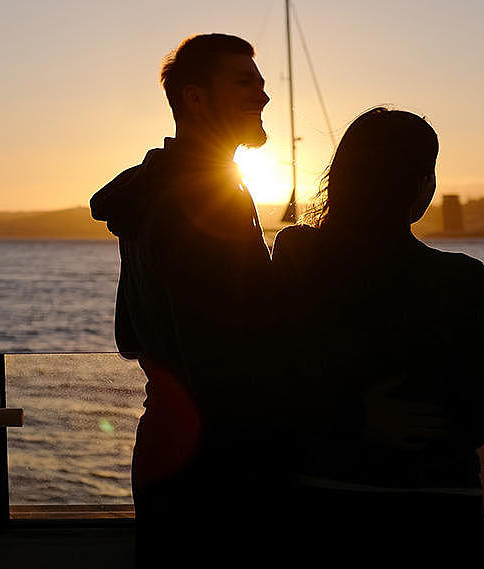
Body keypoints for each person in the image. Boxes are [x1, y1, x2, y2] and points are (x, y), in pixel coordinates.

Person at [273, 107, 484, 568]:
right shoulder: (464, 279)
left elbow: (276, 376)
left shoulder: (298, 252)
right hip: (442, 510)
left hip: (327, 500)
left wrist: (351, 420)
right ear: (421, 187)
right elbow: (478, 411)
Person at [88, 34, 289, 568]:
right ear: (196, 98)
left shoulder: (153, 191)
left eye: (262, 83)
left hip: (164, 444)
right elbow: (224, 354)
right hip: (218, 460)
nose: (263, 96)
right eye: (246, 82)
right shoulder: (207, 194)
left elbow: (130, 333)